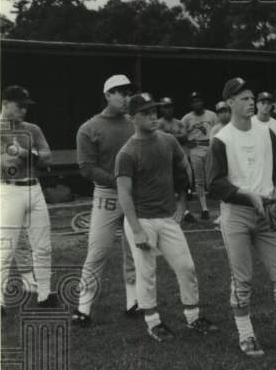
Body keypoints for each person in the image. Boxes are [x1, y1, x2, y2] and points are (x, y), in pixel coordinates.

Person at [207, 77, 276, 357]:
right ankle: (246, 336)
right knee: (242, 279)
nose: (250, 102)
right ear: (229, 103)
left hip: (266, 210)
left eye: (252, 97)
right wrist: (250, 196)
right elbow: (215, 184)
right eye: (243, 98)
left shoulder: (266, 132)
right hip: (237, 214)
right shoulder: (221, 139)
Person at [116, 93, 218, 342]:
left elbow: (183, 170)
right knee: (146, 272)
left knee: (186, 266)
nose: (153, 116)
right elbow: (124, 194)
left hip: (167, 217)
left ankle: (193, 316)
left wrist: (183, 201)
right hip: (142, 220)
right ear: (132, 117)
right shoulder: (127, 152)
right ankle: (153, 322)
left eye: (155, 111)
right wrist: (136, 228)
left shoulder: (169, 140)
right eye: (146, 113)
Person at [71, 74, 138, 325]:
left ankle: (134, 302)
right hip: (107, 195)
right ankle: (83, 308)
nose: (126, 97)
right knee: (98, 250)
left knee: (135, 249)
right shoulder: (89, 128)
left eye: (129, 93)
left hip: (133, 194)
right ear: (108, 95)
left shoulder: (134, 124)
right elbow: (86, 167)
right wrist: (118, 181)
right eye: (121, 92)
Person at [0, 85, 55, 307]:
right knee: (5, 248)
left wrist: (23, 153)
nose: (24, 110)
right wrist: (23, 156)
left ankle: (44, 293)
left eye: (26, 106)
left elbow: (47, 158)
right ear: (5, 104)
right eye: (19, 106)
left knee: (43, 246)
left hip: (35, 189)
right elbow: (4, 164)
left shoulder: (32, 129)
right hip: (9, 190)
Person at [180, 90, 218, 222]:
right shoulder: (187, 118)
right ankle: (205, 208)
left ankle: (219, 207)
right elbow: (180, 135)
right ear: (191, 104)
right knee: (199, 179)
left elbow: (219, 130)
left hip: (209, 147)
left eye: (199, 100)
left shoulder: (212, 115)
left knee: (212, 177)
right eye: (194, 101)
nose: (197, 103)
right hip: (195, 148)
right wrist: (186, 141)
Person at [254, 91, 276, 171]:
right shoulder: (249, 122)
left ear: (271, 105)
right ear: (257, 105)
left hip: (271, 168)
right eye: (263, 103)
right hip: (253, 167)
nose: (266, 106)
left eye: (268, 103)